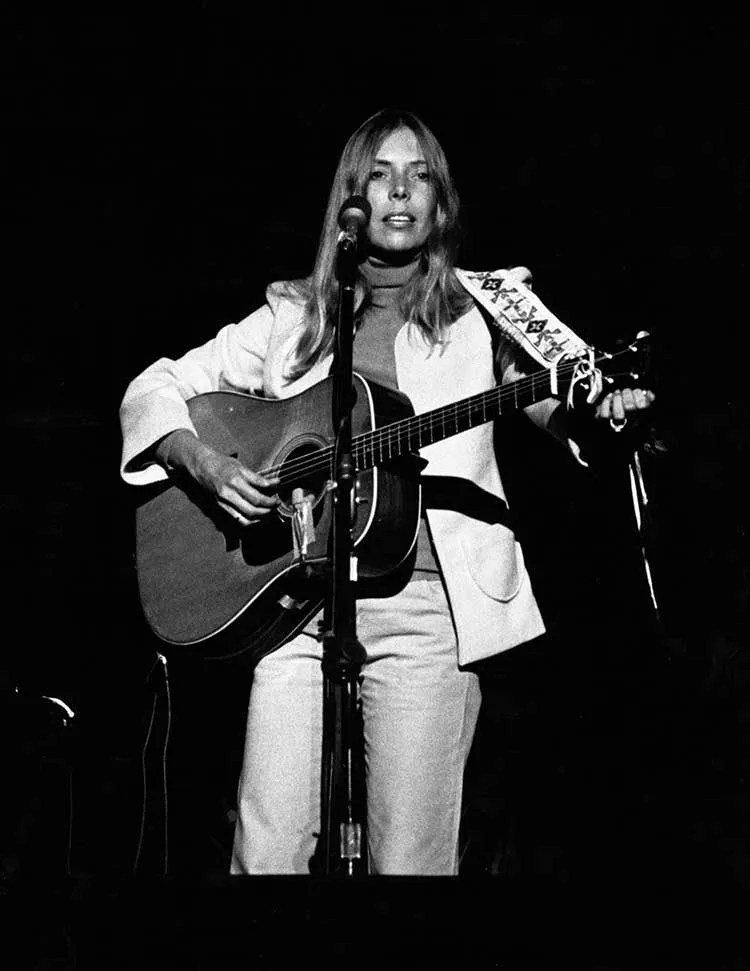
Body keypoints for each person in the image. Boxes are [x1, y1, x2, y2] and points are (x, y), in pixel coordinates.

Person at [119, 108, 654, 876]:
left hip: (427, 611)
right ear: (352, 197)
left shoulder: (489, 305)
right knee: (264, 850)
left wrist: (603, 409)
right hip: (296, 606)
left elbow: (554, 400)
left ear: (441, 202)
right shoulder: (294, 316)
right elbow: (155, 385)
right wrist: (202, 461)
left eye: (421, 174)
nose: (401, 190)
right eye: (380, 172)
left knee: (409, 861)